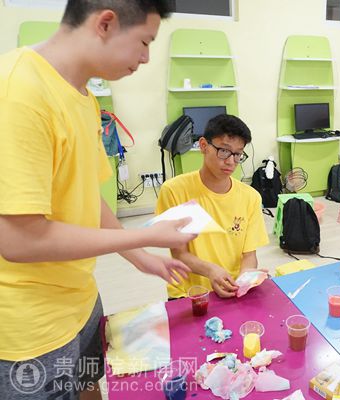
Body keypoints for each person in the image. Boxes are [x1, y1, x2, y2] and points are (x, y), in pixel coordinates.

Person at [0, 2, 196, 399]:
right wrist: (146, 236)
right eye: (144, 42)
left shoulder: (84, 97)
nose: (146, 57)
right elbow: (19, 241)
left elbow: (86, 193)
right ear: (106, 23)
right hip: (30, 327)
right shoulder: (20, 92)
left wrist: (141, 258)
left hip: (81, 296)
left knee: (90, 385)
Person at [156, 114, 269, 299]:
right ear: (203, 146)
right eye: (224, 151)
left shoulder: (251, 197)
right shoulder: (174, 191)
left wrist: (245, 278)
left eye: (238, 154)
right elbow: (179, 254)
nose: (231, 161)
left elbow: (249, 256)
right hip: (188, 294)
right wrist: (211, 271)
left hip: (232, 288)